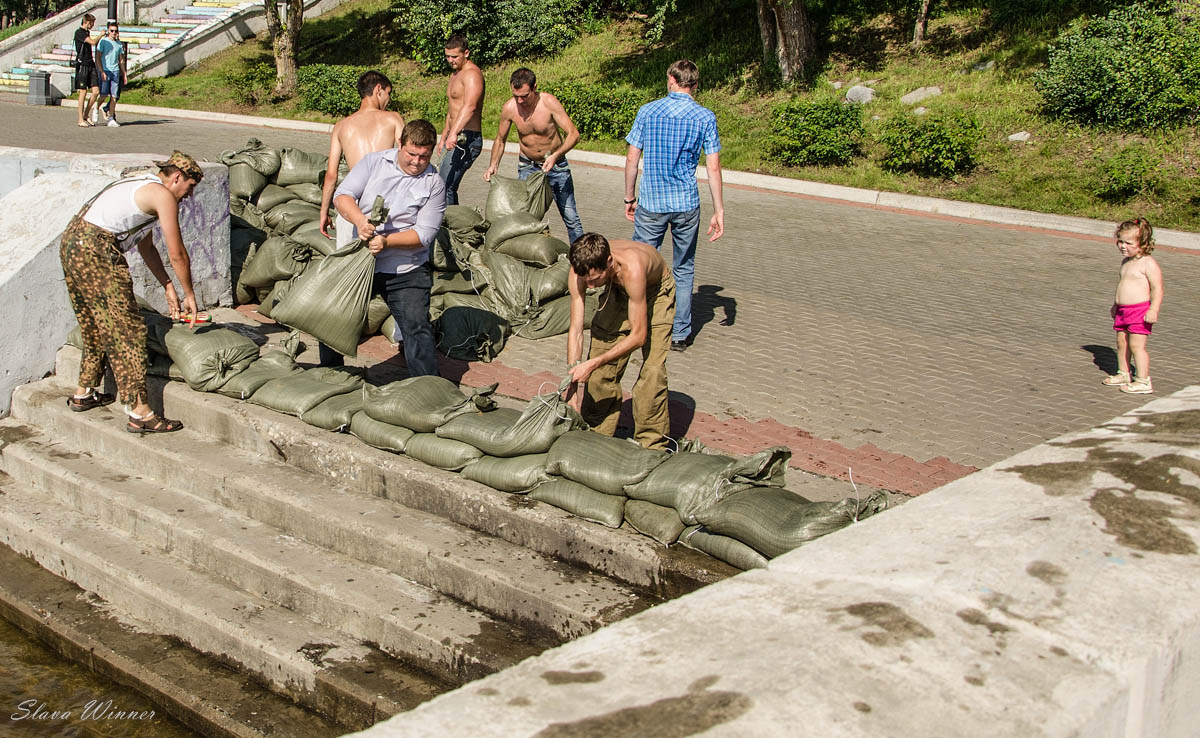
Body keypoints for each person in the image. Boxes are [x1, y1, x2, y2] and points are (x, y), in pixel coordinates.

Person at [60, 151, 203, 433]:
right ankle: (140, 413)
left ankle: (84, 391)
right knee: (128, 329)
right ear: (178, 177)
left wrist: (168, 285)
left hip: (73, 241)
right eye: (189, 188)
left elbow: (146, 247)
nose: (188, 196)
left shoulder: (141, 185)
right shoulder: (163, 195)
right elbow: (177, 253)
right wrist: (190, 294)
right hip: (97, 249)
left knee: (95, 323)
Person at [624, 59, 725, 352]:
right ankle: (680, 333)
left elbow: (632, 159)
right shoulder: (705, 117)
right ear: (695, 84)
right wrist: (719, 210)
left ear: (671, 79)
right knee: (683, 268)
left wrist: (629, 197)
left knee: (640, 264)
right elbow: (714, 167)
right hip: (686, 203)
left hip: (652, 202)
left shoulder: (648, 111)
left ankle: (637, 324)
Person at [333, 119, 445, 378]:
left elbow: (425, 233)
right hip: (360, 262)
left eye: (424, 156)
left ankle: (428, 387)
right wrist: (360, 221)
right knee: (334, 314)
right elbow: (343, 195)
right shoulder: (374, 163)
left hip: (405, 267)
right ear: (400, 145)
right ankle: (331, 373)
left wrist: (386, 241)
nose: (417, 162)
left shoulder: (434, 184)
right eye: (412, 154)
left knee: (416, 327)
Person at [315, 70, 405, 366]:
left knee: (347, 279)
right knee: (397, 273)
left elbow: (331, 175)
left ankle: (336, 342)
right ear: (379, 89)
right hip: (385, 208)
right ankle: (406, 340)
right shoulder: (393, 120)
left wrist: (323, 211)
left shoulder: (342, 126)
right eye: (388, 92)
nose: (389, 98)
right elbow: (407, 166)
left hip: (350, 208)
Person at [565, 233, 675, 450]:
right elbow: (576, 329)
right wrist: (572, 385)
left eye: (594, 280)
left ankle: (652, 444)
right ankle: (596, 433)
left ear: (609, 262)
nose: (591, 286)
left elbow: (638, 336)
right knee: (598, 370)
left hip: (655, 293)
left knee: (652, 373)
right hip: (616, 288)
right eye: (587, 281)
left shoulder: (632, 268)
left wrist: (594, 363)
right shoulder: (580, 270)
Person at [483, 67, 584, 245]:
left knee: (571, 217)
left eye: (524, 96)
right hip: (528, 166)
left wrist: (556, 155)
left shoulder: (548, 103)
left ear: (534, 87)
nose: (520, 101)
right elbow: (500, 140)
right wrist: (493, 164)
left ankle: (582, 259)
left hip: (556, 165)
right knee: (525, 217)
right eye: (516, 96)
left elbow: (574, 134)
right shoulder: (510, 108)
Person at [1102, 217, 1163, 395]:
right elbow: (1123, 286)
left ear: (1142, 243)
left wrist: (1153, 309)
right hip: (1123, 311)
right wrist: (1115, 305)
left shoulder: (1148, 263)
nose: (1122, 246)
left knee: (1137, 346)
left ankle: (1143, 380)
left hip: (1139, 311)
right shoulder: (1126, 262)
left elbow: (1157, 288)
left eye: (1128, 242)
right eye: (1120, 241)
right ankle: (1124, 373)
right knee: (1122, 343)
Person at [435, 34, 484, 206]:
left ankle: (452, 229)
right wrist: (444, 137)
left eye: (455, 56)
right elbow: (452, 110)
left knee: (445, 185)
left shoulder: (472, 75)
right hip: (455, 137)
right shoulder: (455, 75)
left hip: (467, 138)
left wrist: (454, 133)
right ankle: (450, 227)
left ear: (466, 53)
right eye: (447, 56)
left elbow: (470, 107)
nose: (450, 60)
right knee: (444, 184)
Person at [96, 21, 126, 127]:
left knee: (114, 96)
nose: (114, 33)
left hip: (115, 71)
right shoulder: (103, 42)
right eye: (111, 30)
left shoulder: (119, 44)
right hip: (105, 69)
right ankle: (96, 108)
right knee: (103, 94)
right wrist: (101, 71)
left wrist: (124, 73)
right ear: (108, 31)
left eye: (115, 31)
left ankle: (111, 118)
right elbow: (98, 57)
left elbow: (121, 60)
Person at [73, 13, 100, 128]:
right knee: (83, 92)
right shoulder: (79, 33)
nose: (93, 25)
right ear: (88, 22)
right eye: (92, 23)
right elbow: (93, 42)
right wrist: (101, 35)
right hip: (83, 65)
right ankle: (80, 119)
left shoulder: (87, 33)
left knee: (96, 91)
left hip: (91, 64)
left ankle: (85, 114)